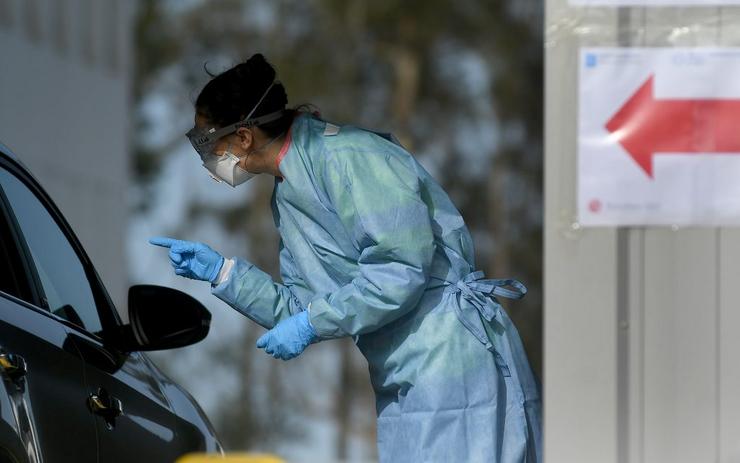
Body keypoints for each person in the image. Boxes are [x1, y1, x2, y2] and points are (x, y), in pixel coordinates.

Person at [150, 53, 541, 462]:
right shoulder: (288, 196)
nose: (207, 153)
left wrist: (311, 323)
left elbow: (400, 271)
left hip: (452, 355)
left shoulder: (351, 156)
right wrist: (225, 275)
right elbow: (303, 308)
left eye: (208, 139)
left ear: (244, 137)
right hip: (401, 372)